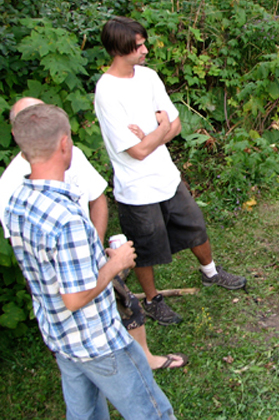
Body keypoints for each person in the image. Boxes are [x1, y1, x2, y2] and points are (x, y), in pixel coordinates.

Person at [5, 103, 175, 419]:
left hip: (59, 335)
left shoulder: (17, 200)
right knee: (153, 412)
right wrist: (116, 264)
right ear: (64, 144)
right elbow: (75, 297)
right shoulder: (66, 217)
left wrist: (95, 258)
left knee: (84, 415)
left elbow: (52, 272)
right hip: (97, 340)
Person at [94, 16, 246, 326]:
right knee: (144, 245)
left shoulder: (148, 77)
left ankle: (211, 273)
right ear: (119, 50)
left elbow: (174, 124)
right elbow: (136, 152)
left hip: (166, 173)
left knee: (194, 224)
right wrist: (159, 128)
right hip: (135, 186)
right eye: (138, 46)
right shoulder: (107, 92)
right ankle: (152, 300)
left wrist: (155, 132)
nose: (146, 50)